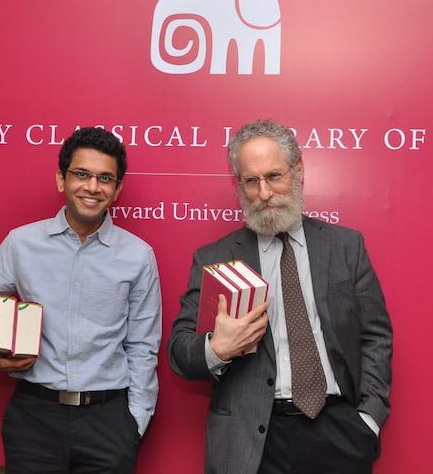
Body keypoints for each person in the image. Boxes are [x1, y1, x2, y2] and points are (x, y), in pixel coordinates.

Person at [167, 119, 392, 474]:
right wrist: (217, 349)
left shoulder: (347, 247)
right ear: (238, 183)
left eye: (273, 176)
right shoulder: (215, 257)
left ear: (298, 169)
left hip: (338, 431)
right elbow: (179, 352)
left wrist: (369, 418)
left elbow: (375, 336)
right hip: (251, 441)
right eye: (251, 181)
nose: (264, 193)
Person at [0, 127, 162, 474]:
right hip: (34, 417)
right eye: (81, 174)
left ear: (117, 189)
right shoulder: (21, 243)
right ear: (61, 180)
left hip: (109, 421)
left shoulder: (138, 256)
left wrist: (134, 423)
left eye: (105, 178)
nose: (93, 187)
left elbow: (143, 346)